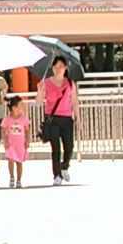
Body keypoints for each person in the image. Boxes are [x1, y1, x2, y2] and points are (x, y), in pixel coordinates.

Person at [37, 55, 80, 185]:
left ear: (65, 68)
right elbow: (38, 102)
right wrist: (39, 90)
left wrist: (78, 118)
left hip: (67, 118)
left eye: (61, 66)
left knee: (69, 147)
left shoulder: (70, 83)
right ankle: (57, 175)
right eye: (56, 67)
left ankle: (64, 166)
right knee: (55, 148)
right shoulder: (46, 83)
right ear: (52, 68)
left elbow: (74, 101)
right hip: (52, 119)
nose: (58, 69)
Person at [1, 99, 31, 188]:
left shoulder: (24, 118)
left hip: (20, 144)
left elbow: (27, 130)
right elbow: (3, 130)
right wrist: (5, 141)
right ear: (14, 108)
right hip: (11, 144)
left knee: (19, 162)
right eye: (20, 105)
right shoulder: (7, 119)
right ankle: (11, 177)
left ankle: (19, 180)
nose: (22, 107)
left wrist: (27, 141)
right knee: (10, 160)